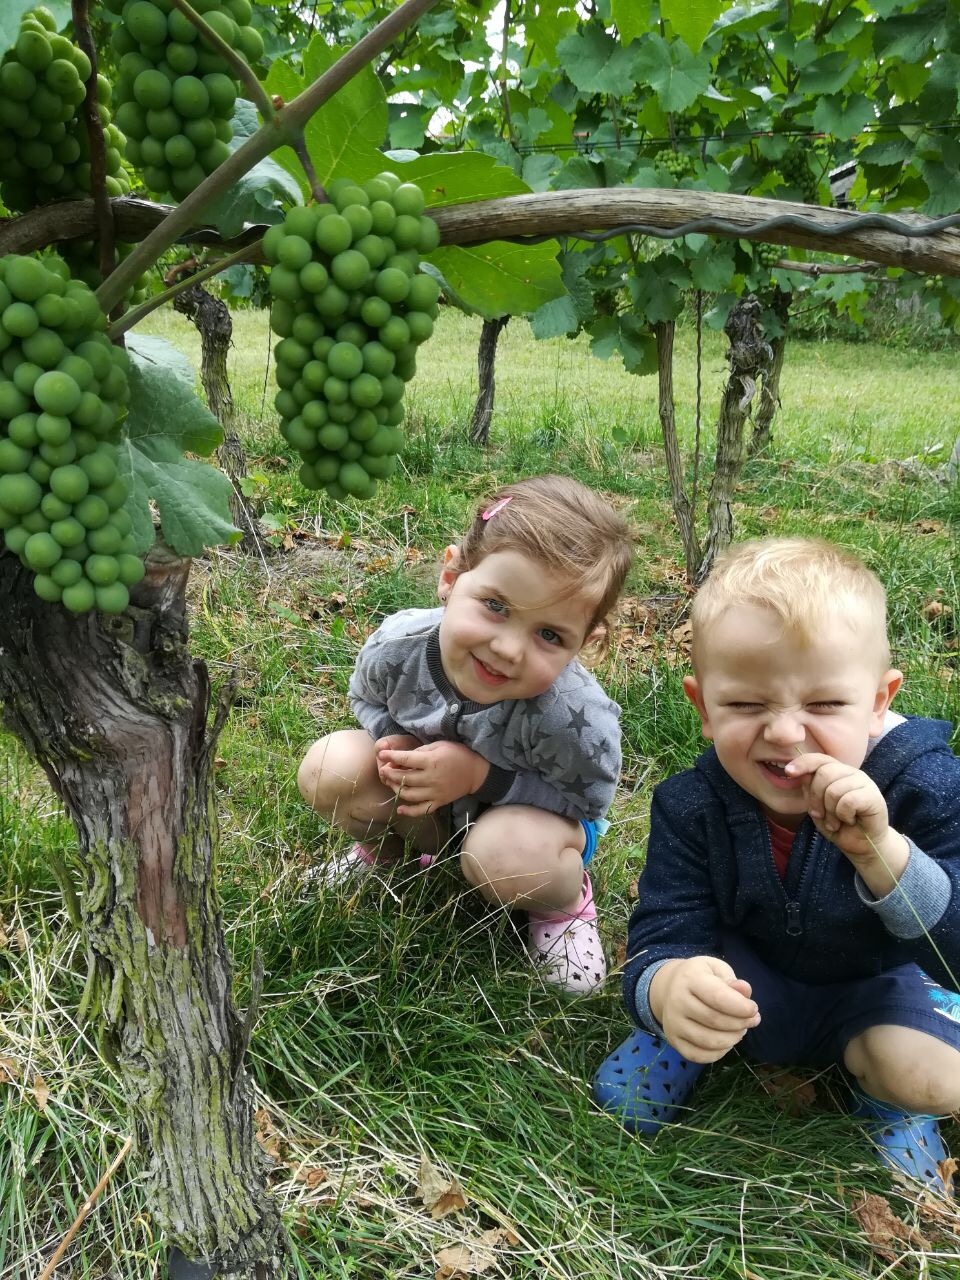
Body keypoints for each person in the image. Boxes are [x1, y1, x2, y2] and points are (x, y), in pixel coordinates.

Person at [594, 537, 960, 1193]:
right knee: (668, 1019)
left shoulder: (924, 784)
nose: (786, 733)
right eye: (746, 704)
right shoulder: (690, 805)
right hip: (747, 982)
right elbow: (666, 927)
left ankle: (894, 1103)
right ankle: (685, 1036)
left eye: (823, 705)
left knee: (935, 1078)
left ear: (879, 701)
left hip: (879, 981)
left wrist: (889, 857)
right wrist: (668, 988)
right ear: (703, 707)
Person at [298, 474, 634, 994]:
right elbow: (363, 697)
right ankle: (387, 856)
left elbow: (586, 802)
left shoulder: (576, 717)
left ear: (584, 642)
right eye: (496, 606)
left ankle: (562, 907)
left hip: (523, 836)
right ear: (452, 577)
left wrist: (483, 777)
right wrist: (396, 741)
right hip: (431, 814)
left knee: (502, 855)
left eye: (549, 634)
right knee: (331, 765)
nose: (508, 649)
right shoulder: (399, 645)